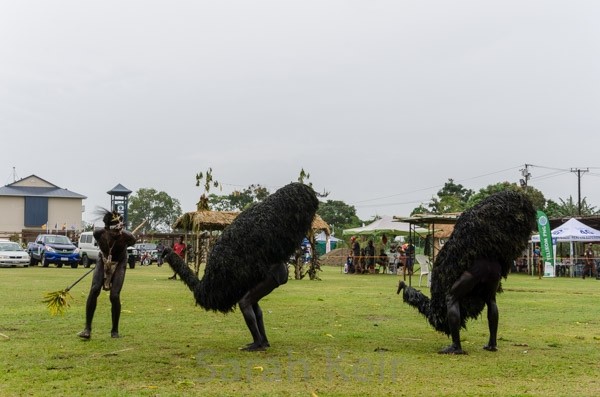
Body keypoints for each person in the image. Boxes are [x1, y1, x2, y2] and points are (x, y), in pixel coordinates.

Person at [78, 210, 136, 339]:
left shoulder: (128, 237)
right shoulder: (98, 234)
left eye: (119, 230)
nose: (118, 233)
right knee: (94, 290)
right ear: (106, 229)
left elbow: (132, 241)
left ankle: (114, 331)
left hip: (120, 262)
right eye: (114, 231)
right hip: (103, 259)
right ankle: (87, 328)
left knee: (114, 296)